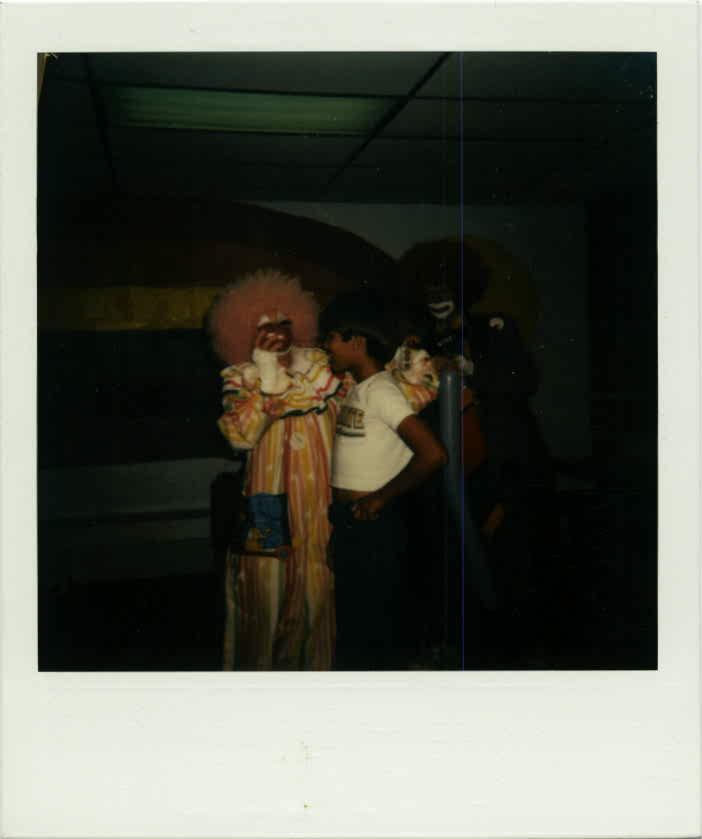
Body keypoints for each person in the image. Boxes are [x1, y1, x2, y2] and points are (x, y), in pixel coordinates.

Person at [208, 269, 437, 671]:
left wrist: (415, 360)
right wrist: (267, 376)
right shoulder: (242, 378)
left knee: (323, 599)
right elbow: (239, 436)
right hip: (268, 500)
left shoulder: (325, 367)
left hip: (323, 503)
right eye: (263, 325)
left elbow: (402, 392)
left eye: (283, 322)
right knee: (264, 599)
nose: (275, 332)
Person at [319, 291, 447, 669]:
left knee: (374, 629)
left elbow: (433, 454)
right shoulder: (357, 390)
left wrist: (380, 498)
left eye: (331, 339)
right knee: (357, 622)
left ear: (357, 342)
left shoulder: (381, 391)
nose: (326, 347)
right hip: (352, 522)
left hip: (374, 522)